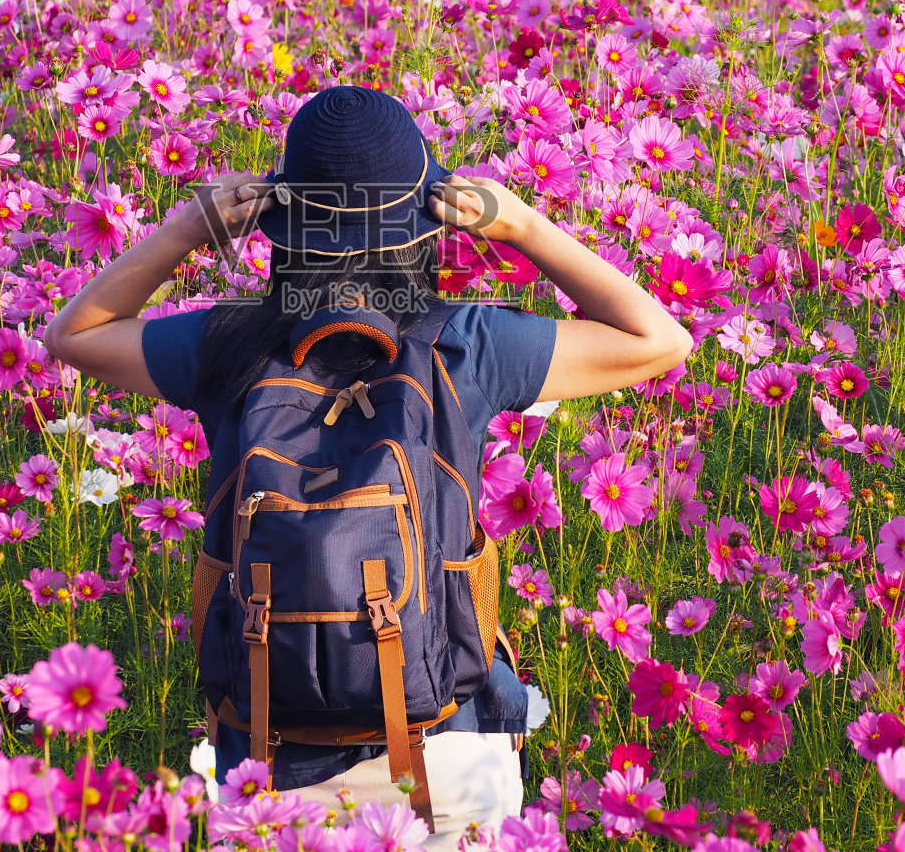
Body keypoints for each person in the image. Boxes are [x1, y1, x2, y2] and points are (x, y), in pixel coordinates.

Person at [44, 86, 692, 847]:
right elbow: (660, 339)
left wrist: (191, 226)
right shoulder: (468, 345)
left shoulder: (226, 345)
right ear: (427, 219)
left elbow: (74, 335)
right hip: (449, 754)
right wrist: (520, 224)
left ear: (282, 224)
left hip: (266, 761)